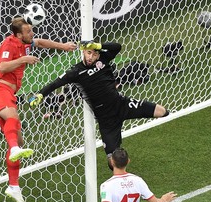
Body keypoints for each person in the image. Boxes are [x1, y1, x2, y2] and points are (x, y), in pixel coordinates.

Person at [29, 41, 170, 170]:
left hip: (123, 105)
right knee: (112, 162)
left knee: (162, 111)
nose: (91, 57)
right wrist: (40, 94)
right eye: (88, 53)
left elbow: (117, 47)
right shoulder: (75, 72)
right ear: (83, 52)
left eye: (94, 53)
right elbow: (55, 84)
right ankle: (122, 166)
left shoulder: (104, 59)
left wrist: (98, 45)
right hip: (106, 120)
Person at [0, 17, 76, 202]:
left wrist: (63, 46)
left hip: (10, 93)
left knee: (17, 142)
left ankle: (13, 187)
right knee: (13, 118)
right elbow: (2, 67)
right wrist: (23, 59)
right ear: (18, 34)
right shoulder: (9, 44)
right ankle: (15, 153)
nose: (32, 34)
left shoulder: (26, 42)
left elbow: (41, 42)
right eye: (28, 31)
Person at [99, 148, 177, 202]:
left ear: (112, 162)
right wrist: (164, 199)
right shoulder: (138, 181)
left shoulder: (106, 186)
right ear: (128, 161)